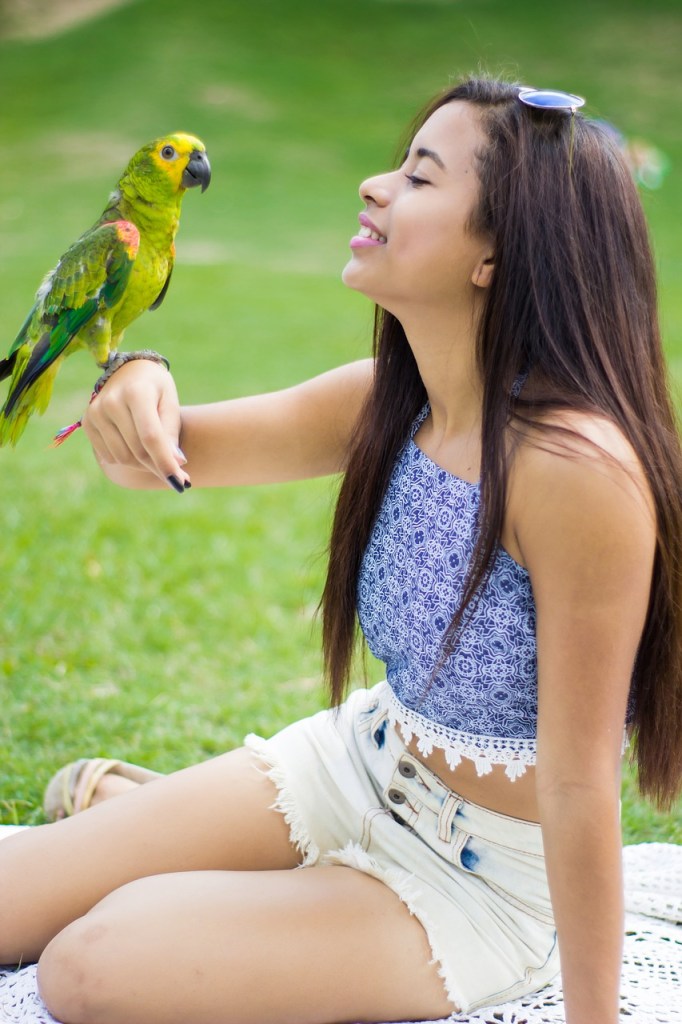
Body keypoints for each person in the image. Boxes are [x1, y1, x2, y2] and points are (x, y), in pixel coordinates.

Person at [1, 75, 681, 1024]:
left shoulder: (574, 471)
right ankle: (158, 820)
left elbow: (577, 789)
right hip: (354, 766)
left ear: (495, 253)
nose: (372, 186)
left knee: (93, 965)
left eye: (418, 177)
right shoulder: (389, 403)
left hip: (472, 882)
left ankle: (146, 818)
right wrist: (140, 374)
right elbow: (149, 465)